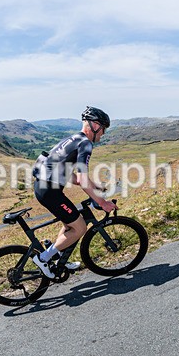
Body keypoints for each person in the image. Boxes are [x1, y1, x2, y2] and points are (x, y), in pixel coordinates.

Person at [31, 106, 117, 278]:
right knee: (80, 228)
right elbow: (82, 180)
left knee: (70, 225)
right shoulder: (85, 143)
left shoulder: (73, 139)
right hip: (50, 191)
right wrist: (102, 202)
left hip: (44, 187)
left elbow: (74, 177)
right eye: (103, 129)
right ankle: (43, 258)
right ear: (94, 125)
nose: (103, 134)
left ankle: (57, 259)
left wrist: (96, 187)